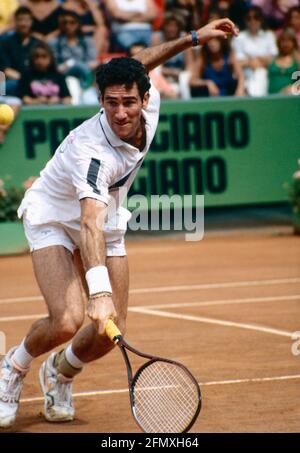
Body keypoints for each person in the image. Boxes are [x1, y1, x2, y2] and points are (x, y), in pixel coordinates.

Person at [0, 17, 239, 428]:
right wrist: (98, 292)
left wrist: (194, 38)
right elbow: (88, 223)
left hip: (105, 216)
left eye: (129, 101)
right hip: (55, 216)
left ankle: (59, 371)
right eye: (110, 103)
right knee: (69, 319)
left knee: (112, 331)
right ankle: (13, 368)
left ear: (145, 98)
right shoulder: (94, 152)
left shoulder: (146, 102)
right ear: (101, 101)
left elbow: (140, 62)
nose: (120, 112)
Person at [49, 9, 99, 102]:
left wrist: (76, 64)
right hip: (64, 77)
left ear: (78, 24)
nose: (68, 26)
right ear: (60, 25)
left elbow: (93, 62)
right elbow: (54, 67)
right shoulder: (54, 43)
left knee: (90, 99)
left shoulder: (87, 41)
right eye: (65, 23)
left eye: (72, 22)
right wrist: (70, 64)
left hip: (86, 76)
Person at [232, 6, 278, 96]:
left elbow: (274, 59)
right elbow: (237, 61)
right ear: (245, 21)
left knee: (261, 74)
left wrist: (254, 61)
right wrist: (253, 61)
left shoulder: (269, 35)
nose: (253, 21)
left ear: (261, 20)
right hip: (244, 74)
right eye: (249, 18)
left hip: (266, 72)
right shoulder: (239, 37)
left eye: (256, 17)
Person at [0, 6, 42, 98]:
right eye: (20, 20)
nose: (23, 24)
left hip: (37, 81)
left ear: (31, 22)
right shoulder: (5, 42)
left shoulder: (37, 43)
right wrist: (26, 80)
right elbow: (5, 70)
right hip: (13, 81)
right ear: (15, 22)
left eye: (27, 20)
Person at [268, 28, 300, 94]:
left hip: (290, 99)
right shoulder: (272, 59)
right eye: (283, 41)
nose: (285, 44)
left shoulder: (297, 60)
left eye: (288, 41)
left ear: (294, 43)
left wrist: (293, 88)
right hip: (271, 98)